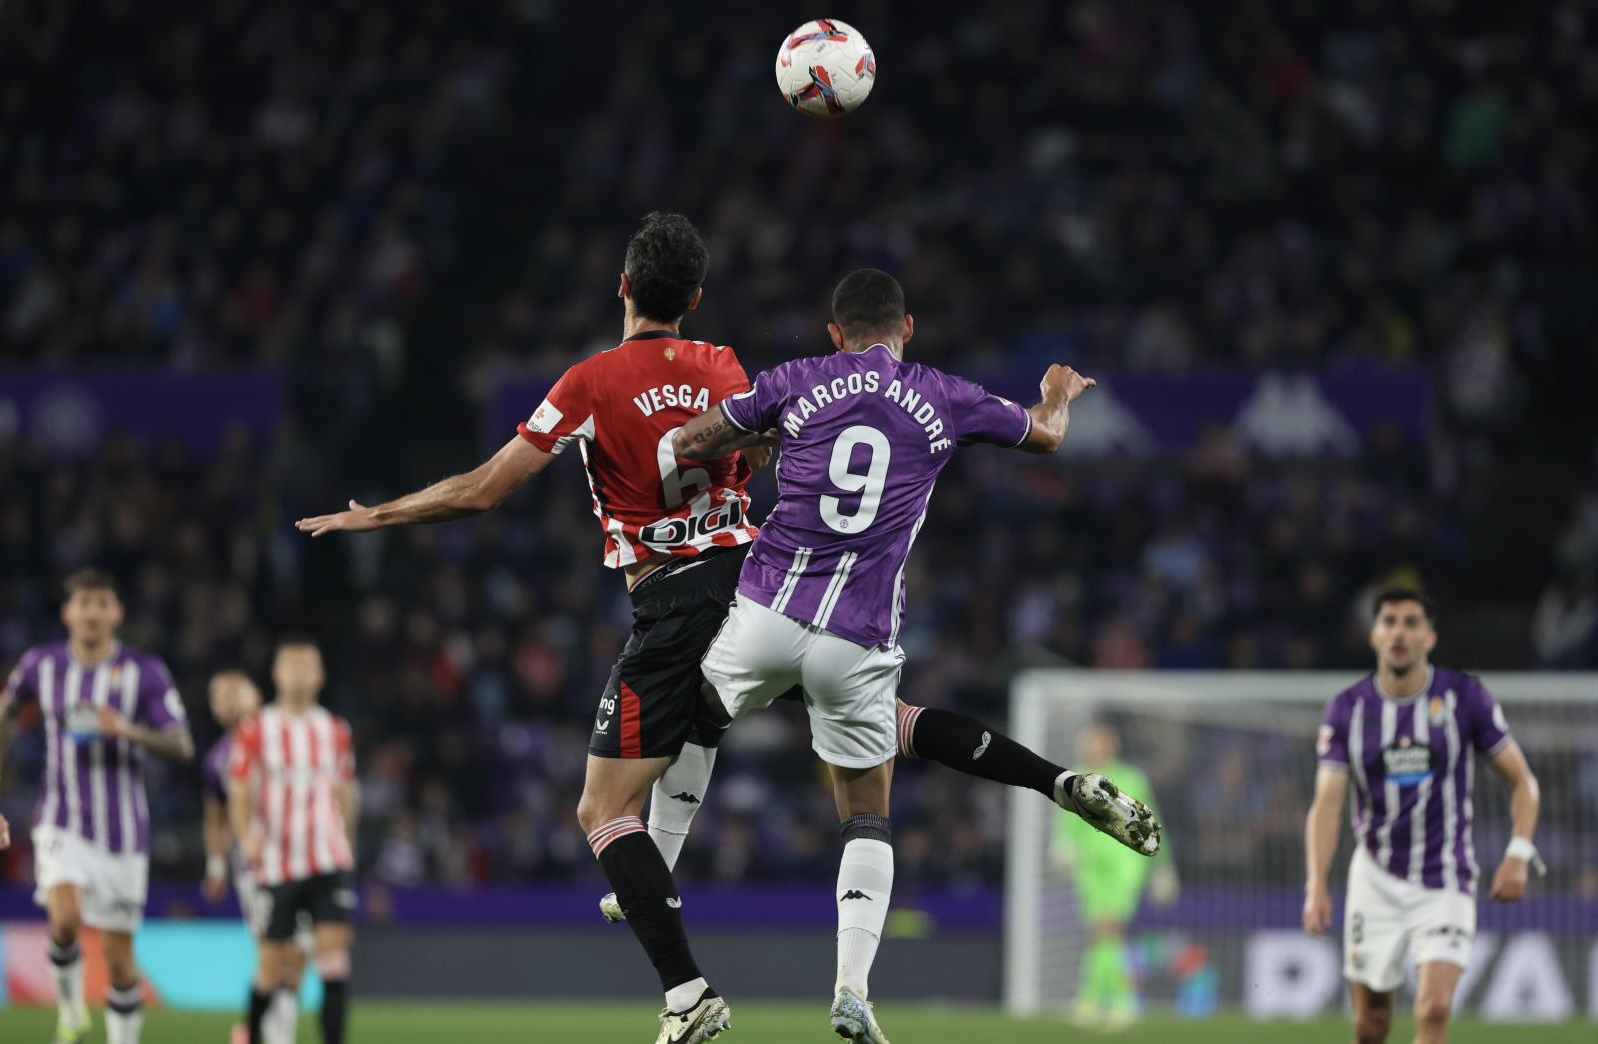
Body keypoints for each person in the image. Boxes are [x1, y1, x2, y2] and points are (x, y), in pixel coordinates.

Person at [296, 216, 1157, 1043]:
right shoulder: (724, 364)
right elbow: (764, 446)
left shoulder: (593, 381)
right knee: (876, 743)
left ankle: (685, 988)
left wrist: (378, 518)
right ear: (698, 294)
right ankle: (1047, 786)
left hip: (692, 602)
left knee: (605, 808)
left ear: (624, 286)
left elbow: (485, 489)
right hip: (761, 575)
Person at [674, 267, 1161, 1042]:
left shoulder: (796, 379)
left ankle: (654, 860)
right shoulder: (941, 394)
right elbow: (1047, 435)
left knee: (694, 711)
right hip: (858, 637)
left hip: (767, 607)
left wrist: (754, 439)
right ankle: (852, 991)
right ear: (908, 330)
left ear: (835, 334)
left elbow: (689, 442)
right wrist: (1060, 390)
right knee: (866, 813)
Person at [1303, 588, 1543, 1044]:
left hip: (1445, 877)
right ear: (1373, 635)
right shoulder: (1347, 710)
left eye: (1411, 622)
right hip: (1373, 878)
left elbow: (1524, 782)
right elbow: (1327, 805)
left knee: (1433, 1010)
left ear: (1429, 637)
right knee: (1370, 1025)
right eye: (1389, 621)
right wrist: (1316, 883)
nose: (1399, 631)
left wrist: (1518, 852)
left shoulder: (1464, 697)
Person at [0, 568, 194, 1044]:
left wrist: (127, 730)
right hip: (61, 821)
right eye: (83, 603)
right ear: (68, 612)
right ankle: (70, 1013)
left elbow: (182, 745)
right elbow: (4, 717)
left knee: (119, 958)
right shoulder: (41, 665)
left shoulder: (145, 672)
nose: (92, 612)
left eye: (102, 603)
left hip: (123, 834)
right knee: (64, 918)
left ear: (117, 613)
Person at [228, 638, 359, 1044]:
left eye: (308, 666)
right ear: (276, 674)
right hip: (277, 860)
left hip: (326, 858)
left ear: (320, 676)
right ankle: (250, 1033)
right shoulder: (256, 729)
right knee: (272, 968)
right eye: (292, 665)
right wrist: (246, 837)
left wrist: (347, 842)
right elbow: (238, 787)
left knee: (334, 960)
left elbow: (346, 788)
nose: (300, 673)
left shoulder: (335, 729)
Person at [202, 669, 311, 1044]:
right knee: (273, 950)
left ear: (256, 696)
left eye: (237, 692)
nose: (229, 700)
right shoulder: (216, 759)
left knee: (298, 953)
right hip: (256, 868)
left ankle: (257, 1029)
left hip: (304, 856)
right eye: (221, 695)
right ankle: (277, 1036)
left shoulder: (283, 734)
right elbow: (214, 818)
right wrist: (215, 865)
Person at [1051, 723, 1176, 1031]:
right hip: (1090, 866)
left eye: (1099, 742)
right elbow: (1067, 820)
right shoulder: (1075, 778)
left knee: (1109, 928)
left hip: (1124, 862)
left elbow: (1150, 822)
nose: (1093, 748)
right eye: (1089, 743)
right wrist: (1062, 844)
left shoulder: (1131, 778)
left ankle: (1100, 1001)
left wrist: (1163, 867)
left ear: (1111, 745)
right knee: (1102, 934)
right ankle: (1111, 1001)